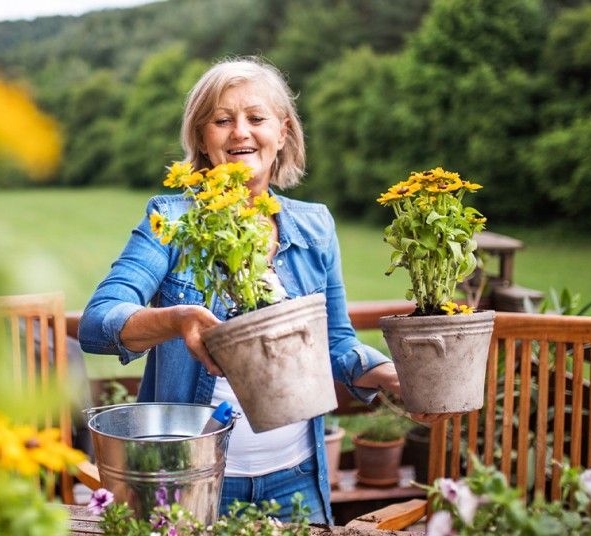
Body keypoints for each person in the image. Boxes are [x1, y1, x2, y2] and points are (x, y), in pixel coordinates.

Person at [78, 57, 403, 525]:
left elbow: (335, 342)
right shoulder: (171, 221)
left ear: (283, 132)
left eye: (256, 118)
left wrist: (391, 375)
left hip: (296, 476)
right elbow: (97, 322)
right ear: (202, 140)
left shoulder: (315, 227)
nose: (239, 133)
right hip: (194, 479)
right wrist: (177, 320)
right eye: (222, 120)